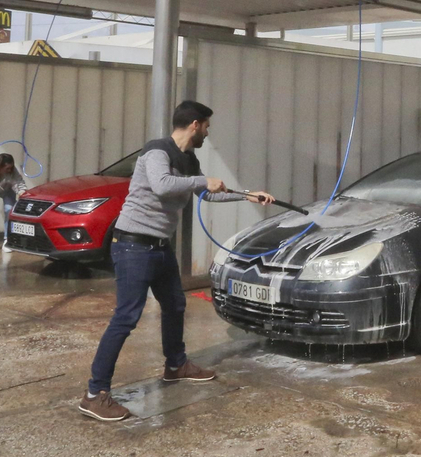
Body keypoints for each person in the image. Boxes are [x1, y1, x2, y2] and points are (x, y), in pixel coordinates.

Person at [79, 100, 275, 422]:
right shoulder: (157, 151)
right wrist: (202, 181)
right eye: (207, 127)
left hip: (159, 247)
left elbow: (208, 193)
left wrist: (247, 195)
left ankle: (176, 365)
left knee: (174, 305)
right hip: (133, 246)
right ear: (195, 125)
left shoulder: (187, 159)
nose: (208, 133)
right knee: (126, 318)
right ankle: (94, 393)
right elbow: (162, 185)